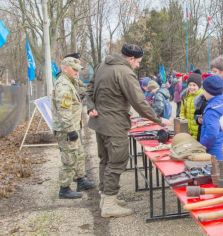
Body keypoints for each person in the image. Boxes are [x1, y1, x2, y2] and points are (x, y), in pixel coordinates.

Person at [86, 43, 169, 218]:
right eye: (138, 62)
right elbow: (139, 102)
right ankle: (109, 204)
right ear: (130, 58)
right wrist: (159, 120)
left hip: (99, 123)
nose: (138, 65)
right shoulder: (124, 72)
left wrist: (90, 107)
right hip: (114, 124)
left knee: (106, 160)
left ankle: (106, 197)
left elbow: (89, 89)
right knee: (117, 161)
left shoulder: (102, 65)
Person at [52, 57, 95, 199]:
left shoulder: (71, 82)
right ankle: (64, 189)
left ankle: (80, 180)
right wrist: (70, 130)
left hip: (74, 126)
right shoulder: (63, 86)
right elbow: (64, 111)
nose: (77, 72)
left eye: (78, 70)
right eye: (74, 69)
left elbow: (83, 91)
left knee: (79, 154)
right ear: (65, 68)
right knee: (69, 158)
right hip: (66, 129)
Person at [200, 75, 223, 160]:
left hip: (215, 152)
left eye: (204, 90)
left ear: (209, 91)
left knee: (217, 172)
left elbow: (211, 134)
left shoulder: (211, 111)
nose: (203, 92)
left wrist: (201, 147)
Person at [180, 73, 203, 139]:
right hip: (188, 130)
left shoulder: (202, 97)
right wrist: (182, 119)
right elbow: (182, 112)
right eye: (189, 85)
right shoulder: (185, 96)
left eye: (194, 85)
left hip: (198, 132)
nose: (191, 87)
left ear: (199, 86)